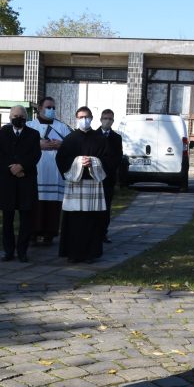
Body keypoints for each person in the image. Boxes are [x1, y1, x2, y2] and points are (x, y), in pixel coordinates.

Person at [55, 106, 110, 264]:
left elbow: (109, 159)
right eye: (81, 117)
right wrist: (78, 162)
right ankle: (73, 254)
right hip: (75, 183)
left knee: (91, 220)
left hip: (93, 184)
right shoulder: (70, 139)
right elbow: (61, 159)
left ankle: (90, 254)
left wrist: (93, 162)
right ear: (76, 119)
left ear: (91, 118)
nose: (84, 120)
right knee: (74, 220)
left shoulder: (100, 139)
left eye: (86, 117)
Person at [0, 106, 41, 262]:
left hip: (26, 180)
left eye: (20, 116)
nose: (17, 118)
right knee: (7, 219)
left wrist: (21, 167)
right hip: (7, 181)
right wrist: (12, 168)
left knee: (26, 219)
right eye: (14, 116)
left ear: (26, 118)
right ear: (10, 117)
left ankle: (22, 251)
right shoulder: (3, 133)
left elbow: (35, 155)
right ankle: (8, 251)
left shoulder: (33, 134)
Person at [26, 96, 70, 245]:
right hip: (36, 171)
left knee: (53, 205)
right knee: (35, 204)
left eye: (53, 107)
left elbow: (72, 146)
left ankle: (49, 234)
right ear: (40, 108)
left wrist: (62, 145)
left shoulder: (62, 127)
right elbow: (21, 145)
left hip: (55, 173)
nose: (51, 110)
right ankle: (33, 233)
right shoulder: (30, 125)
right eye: (48, 107)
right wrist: (38, 145)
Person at [98, 109, 124, 243]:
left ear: (113, 121)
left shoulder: (116, 137)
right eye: (105, 118)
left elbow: (118, 156)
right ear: (101, 119)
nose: (107, 121)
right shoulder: (94, 135)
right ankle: (93, 232)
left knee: (106, 206)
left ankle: (103, 232)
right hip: (95, 176)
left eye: (110, 119)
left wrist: (110, 167)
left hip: (109, 177)